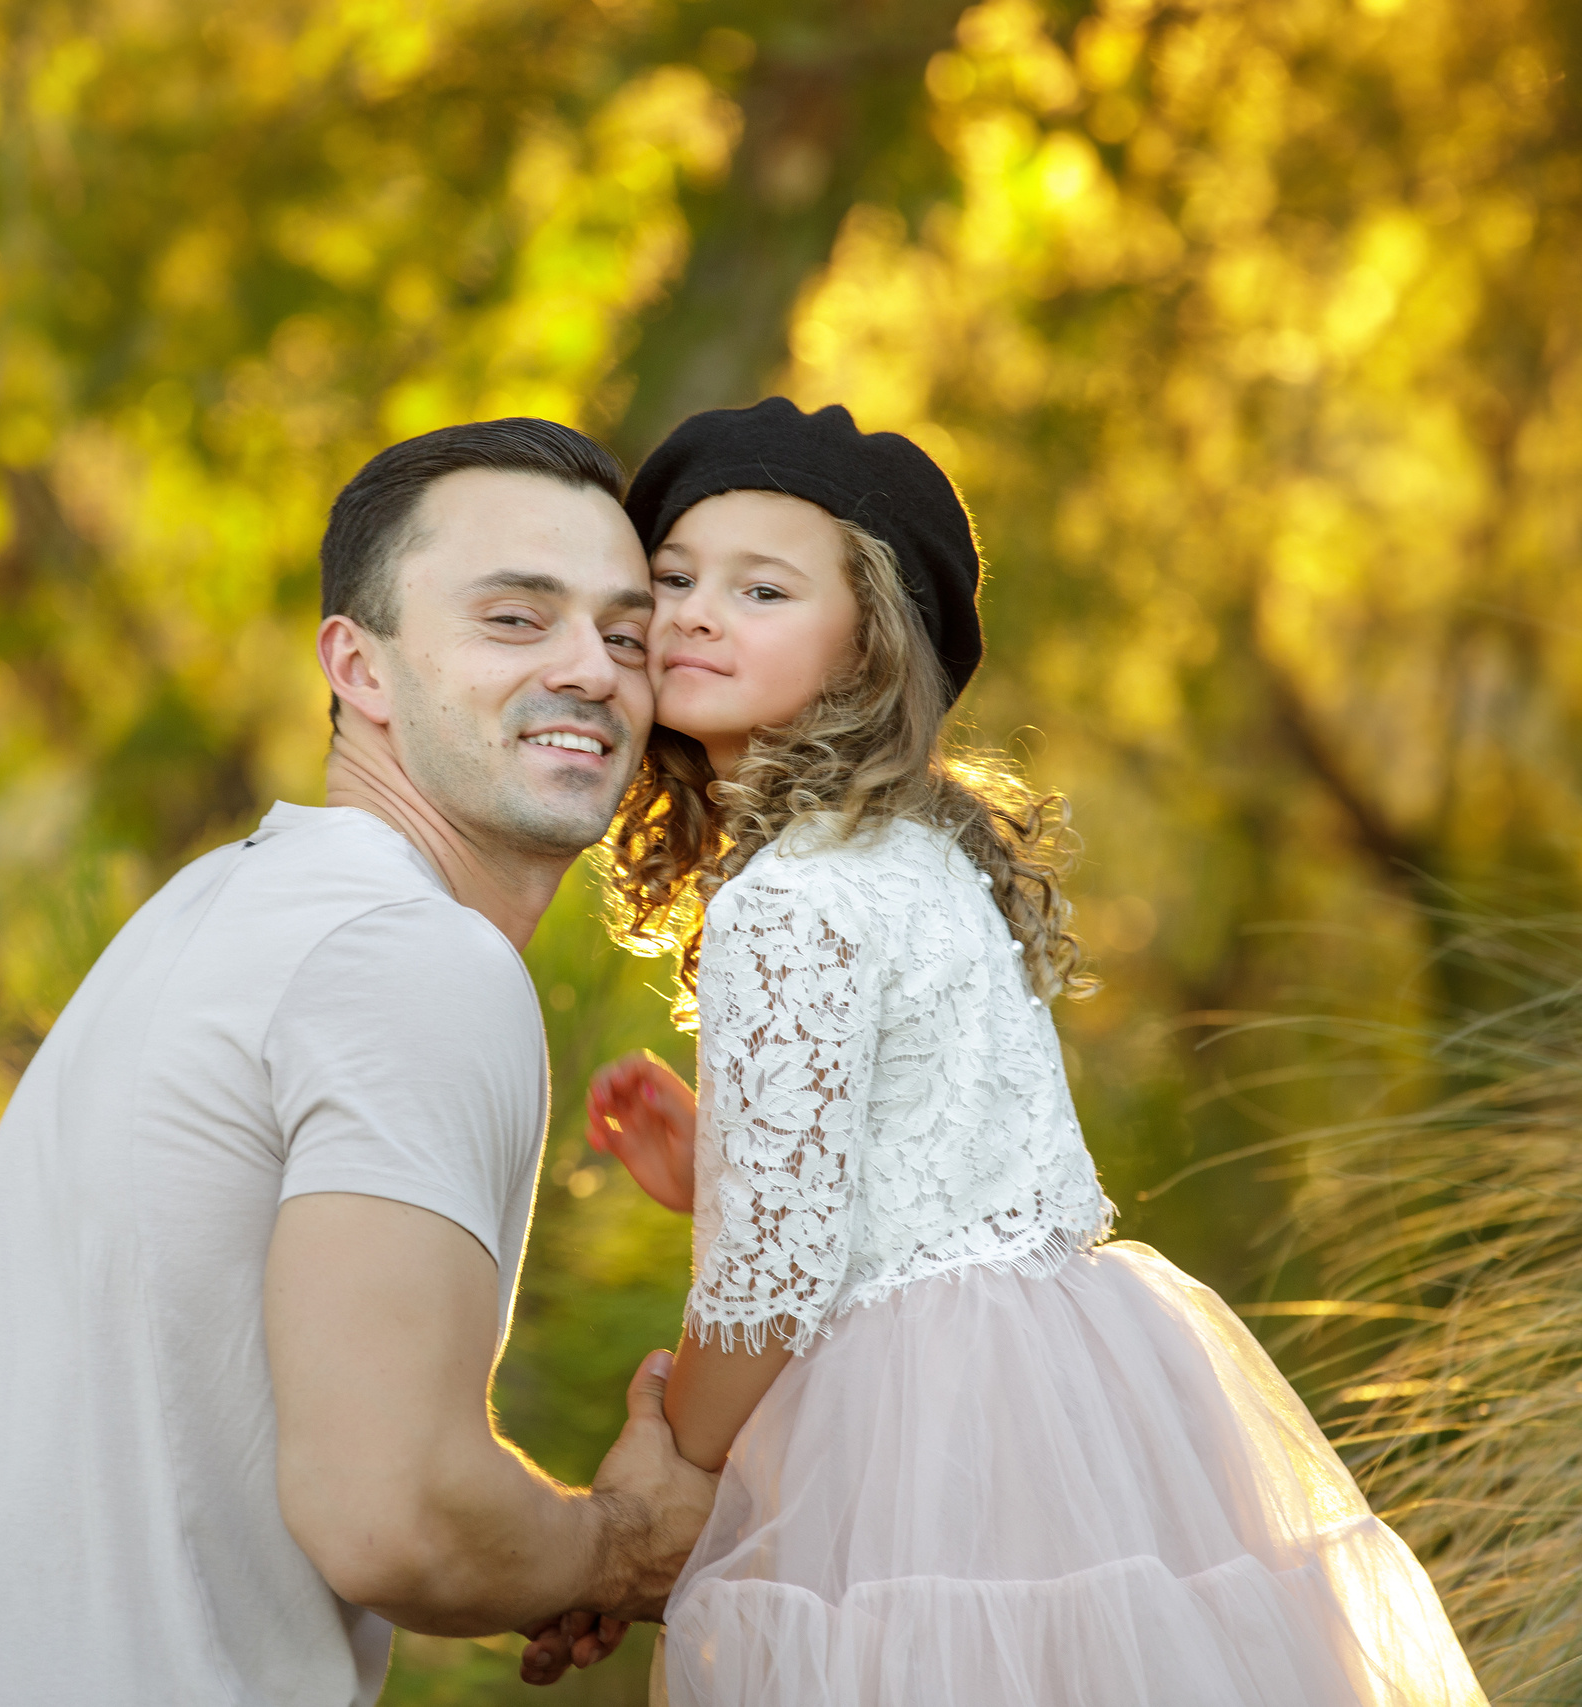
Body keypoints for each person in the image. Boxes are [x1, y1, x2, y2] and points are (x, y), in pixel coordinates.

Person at [0, 419, 716, 1707]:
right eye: (514, 618)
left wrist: (539, 1561)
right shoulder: (410, 959)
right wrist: (623, 1546)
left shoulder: (215, 907)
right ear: (360, 666)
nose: (593, 671)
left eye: (624, 635)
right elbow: (393, 1513)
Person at [578, 398, 1491, 1705]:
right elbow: (906, 1174)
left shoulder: (782, 896)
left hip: (918, 1436)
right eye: (670, 580)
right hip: (1073, 1401)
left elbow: (774, 1284)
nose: (697, 614)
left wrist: (675, 1459)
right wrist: (724, 1170)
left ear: (864, 650)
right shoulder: (918, 854)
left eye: (762, 588)